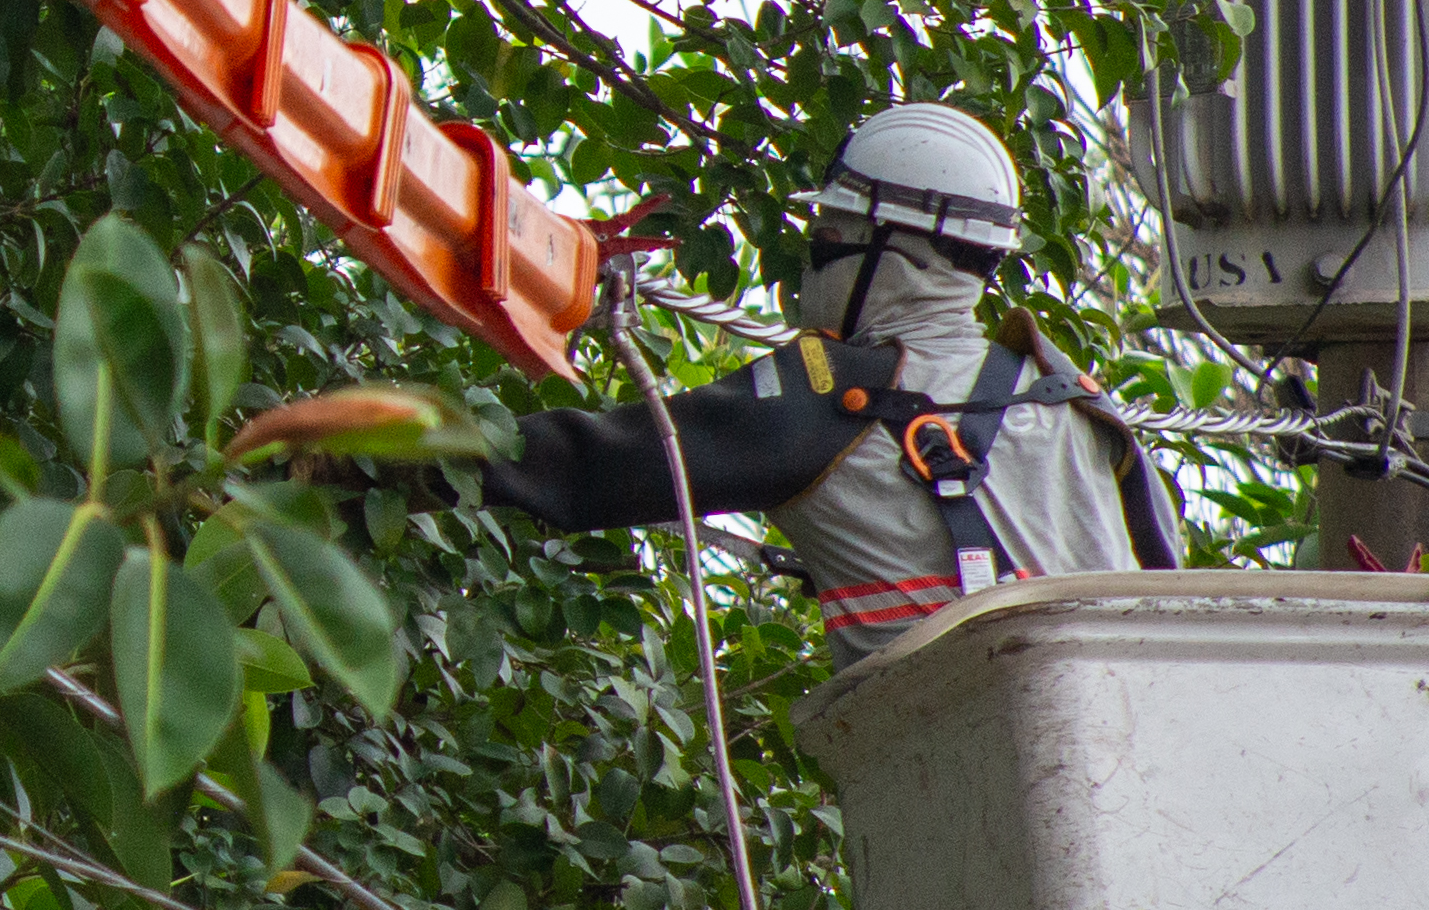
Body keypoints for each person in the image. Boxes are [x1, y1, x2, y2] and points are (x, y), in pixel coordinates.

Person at [475, 101, 1181, 659]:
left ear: (889, 251)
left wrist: (389, 442)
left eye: (829, 237)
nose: (810, 264)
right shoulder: (1085, 410)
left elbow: (577, 466)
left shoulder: (832, 399)